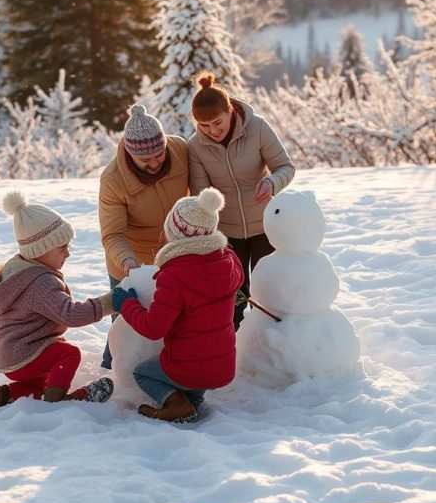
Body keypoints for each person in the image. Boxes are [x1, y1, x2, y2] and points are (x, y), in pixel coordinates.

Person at [0, 190, 115, 408]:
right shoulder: (40, 282)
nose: (67, 254)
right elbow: (70, 314)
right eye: (62, 248)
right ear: (41, 249)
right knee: (68, 353)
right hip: (24, 351)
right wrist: (110, 302)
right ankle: (58, 401)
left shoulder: (18, 269)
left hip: (9, 352)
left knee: (42, 382)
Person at [110, 187, 242, 424]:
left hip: (188, 367)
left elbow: (153, 328)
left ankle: (176, 403)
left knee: (142, 373)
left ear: (175, 233)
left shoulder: (174, 276)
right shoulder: (229, 261)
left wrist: (127, 303)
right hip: (223, 367)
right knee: (195, 369)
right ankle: (191, 403)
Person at [188, 71, 295, 329]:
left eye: (217, 122)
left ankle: (273, 344)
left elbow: (285, 167)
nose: (212, 130)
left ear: (229, 111)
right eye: (204, 126)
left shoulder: (257, 127)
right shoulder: (196, 146)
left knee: (268, 291)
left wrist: (271, 183)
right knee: (234, 297)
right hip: (227, 233)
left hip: (264, 227)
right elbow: (202, 198)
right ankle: (235, 348)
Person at [98, 102, 188, 368]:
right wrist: (127, 262)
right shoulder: (113, 180)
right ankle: (110, 367)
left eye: (159, 155)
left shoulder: (180, 150)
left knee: (169, 315)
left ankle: (161, 365)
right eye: (145, 159)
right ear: (129, 151)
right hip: (130, 258)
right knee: (125, 322)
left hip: (173, 252)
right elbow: (112, 234)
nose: (154, 162)